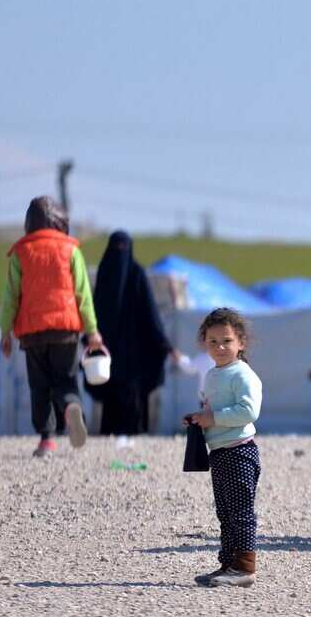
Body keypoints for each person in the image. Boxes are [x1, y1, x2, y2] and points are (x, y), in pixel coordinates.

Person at [0, 196, 104, 457]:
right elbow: (83, 294)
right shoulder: (71, 250)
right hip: (65, 330)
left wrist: (5, 333)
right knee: (66, 380)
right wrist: (92, 330)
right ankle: (70, 407)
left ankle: (47, 440)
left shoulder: (21, 253)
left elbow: (11, 296)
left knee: (39, 386)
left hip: (32, 333)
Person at [186, 308, 263, 588]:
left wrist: (213, 418)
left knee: (240, 512)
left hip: (239, 451)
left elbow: (249, 411)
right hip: (219, 451)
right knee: (225, 513)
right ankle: (228, 565)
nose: (220, 347)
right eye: (213, 341)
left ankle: (244, 567)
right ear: (204, 343)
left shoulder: (242, 374)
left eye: (227, 341)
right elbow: (212, 408)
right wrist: (199, 419)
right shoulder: (213, 374)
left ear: (241, 342)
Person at [85, 230, 180, 435]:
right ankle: (108, 447)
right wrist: (89, 336)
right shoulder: (106, 272)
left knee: (133, 404)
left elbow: (150, 314)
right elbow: (96, 309)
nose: (120, 253)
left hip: (134, 358)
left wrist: (166, 346)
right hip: (109, 354)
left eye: (123, 248)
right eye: (116, 248)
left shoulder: (137, 274)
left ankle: (133, 445)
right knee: (110, 403)